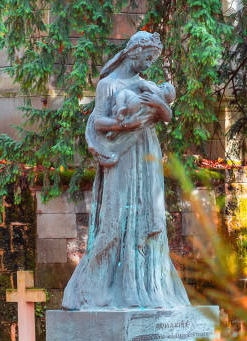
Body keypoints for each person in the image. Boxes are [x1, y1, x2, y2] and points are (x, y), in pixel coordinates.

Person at [61, 31, 190, 310]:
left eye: (151, 59)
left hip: (147, 152)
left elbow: (167, 116)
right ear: (133, 51)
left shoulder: (147, 85)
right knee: (114, 219)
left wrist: (158, 104)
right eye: (145, 57)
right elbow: (98, 123)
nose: (147, 64)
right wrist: (126, 126)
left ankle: (148, 286)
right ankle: (94, 289)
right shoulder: (108, 84)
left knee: (149, 217)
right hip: (121, 153)